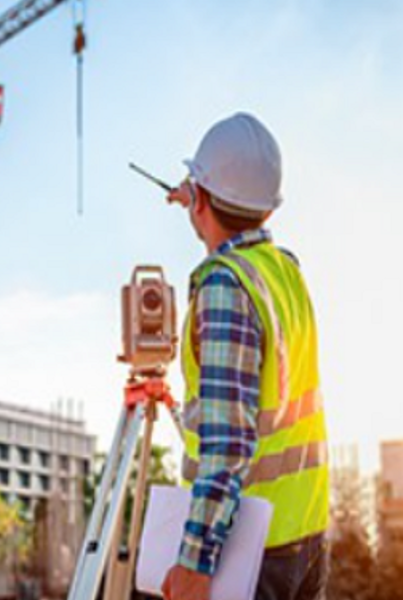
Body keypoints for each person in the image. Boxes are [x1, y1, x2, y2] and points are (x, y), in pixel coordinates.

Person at [160, 113, 329, 600]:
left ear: (203, 201)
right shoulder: (284, 272)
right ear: (268, 210)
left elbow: (230, 442)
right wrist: (200, 197)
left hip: (251, 552)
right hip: (305, 536)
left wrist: (194, 560)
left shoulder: (224, 285)